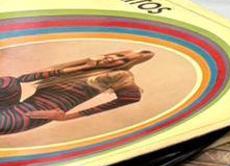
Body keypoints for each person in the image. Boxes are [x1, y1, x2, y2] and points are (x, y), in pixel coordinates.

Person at [0, 50, 151, 135]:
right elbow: (24, 78)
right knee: (9, 82)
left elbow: (132, 98)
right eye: (118, 54)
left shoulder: (120, 75)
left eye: (122, 60)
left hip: (28, 115)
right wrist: (84, 66)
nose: (113, 58)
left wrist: (64, 117)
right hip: (15, 105)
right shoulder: (82, 69)